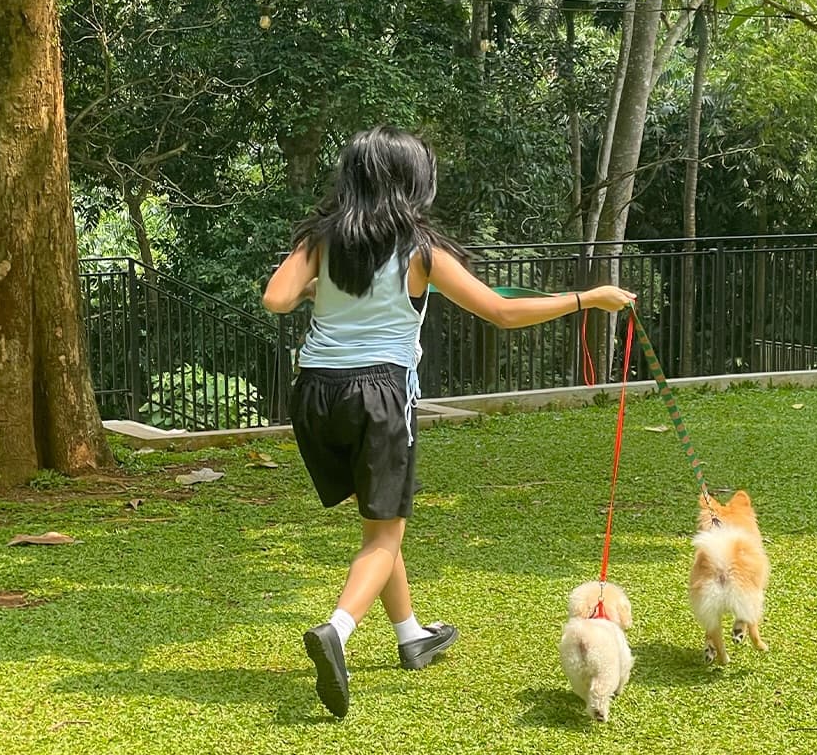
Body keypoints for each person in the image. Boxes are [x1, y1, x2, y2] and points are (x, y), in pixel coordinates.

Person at [262, 125, 636, 718]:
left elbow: (276, 299)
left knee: (379, 522)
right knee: (385, 534)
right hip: (379, 397)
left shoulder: (323, 237)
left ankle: (410, 634)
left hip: (315, 395)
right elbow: (502, 311)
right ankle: (337, 629)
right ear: (411, 183)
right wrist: (587, 298)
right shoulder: (419, 250)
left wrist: (316, 288)